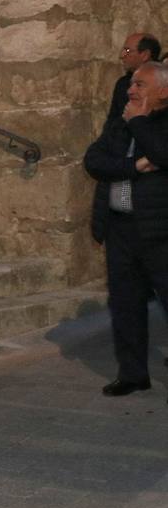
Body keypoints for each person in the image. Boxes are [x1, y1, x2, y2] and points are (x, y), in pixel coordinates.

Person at [84, 60, 168, 397]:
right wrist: (134, 166)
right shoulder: (120, 123)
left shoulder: (155, 123)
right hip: (120, 229)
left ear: (163, 91)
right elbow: (94, 161)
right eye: (132, 84)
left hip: (160, 231)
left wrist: (141, 124)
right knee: (125, 304)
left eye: (140, 85)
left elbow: (163, 153)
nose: (131, 90)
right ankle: (133, 374)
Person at [108, 33, 161, 123]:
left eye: (128, 50)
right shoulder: (123, 84)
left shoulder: (161, 83)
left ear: (145, 55)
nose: (122, 56)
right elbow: (113, 122)